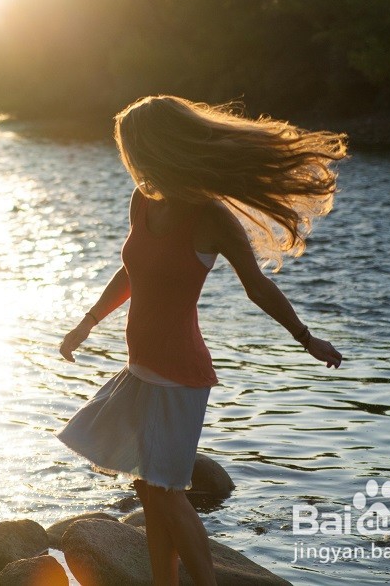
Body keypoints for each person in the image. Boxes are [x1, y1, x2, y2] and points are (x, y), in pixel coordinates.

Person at [57, 95, 346, 586]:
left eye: (133, 147)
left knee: (166, 491)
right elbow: (132, 271)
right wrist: (86, 323)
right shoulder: (143, 200)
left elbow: (257, 286)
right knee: (149, 491)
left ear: (157, 147)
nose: (129, 159)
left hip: (179, 376)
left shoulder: (209, 218)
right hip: (140, 368)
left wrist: (305, 337)